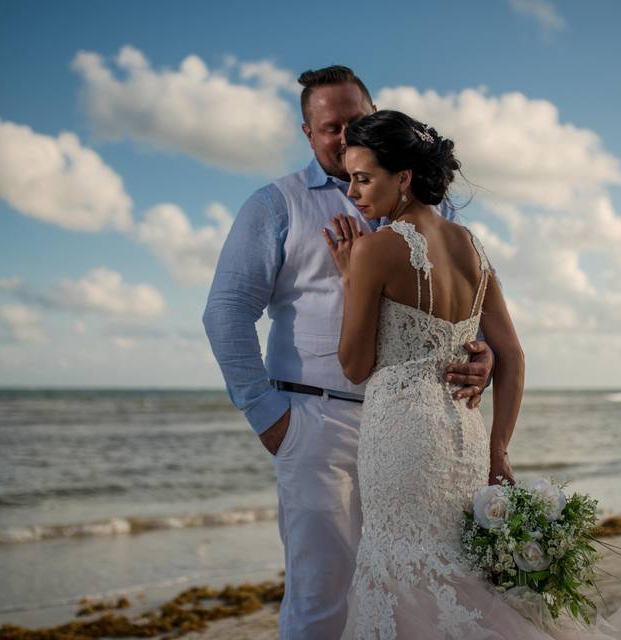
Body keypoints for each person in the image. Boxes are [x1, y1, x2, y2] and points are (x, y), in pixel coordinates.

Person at [202, 66, 494, 640]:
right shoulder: (275, 205)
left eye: (354, 122)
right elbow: (226, 311)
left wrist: (482, 356)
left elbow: (464, 308)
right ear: (307, 133)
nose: (342, 137)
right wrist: (270, 418)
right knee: (322, 598)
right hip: (318, 424)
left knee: (415, 592)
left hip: (418, 434)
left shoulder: (430, 210)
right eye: (329, 127)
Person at [327, 110, 621, 639]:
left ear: (404, 178)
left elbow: (354, 366)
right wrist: (500, 450)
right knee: (457, 568)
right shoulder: (472, 248)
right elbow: (512, 355)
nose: (352, 191)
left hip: (401, 441)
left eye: (363, 177)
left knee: (402, 571)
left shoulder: (374, 249)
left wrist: (350, 276)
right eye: (349, 177)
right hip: (463, 436)